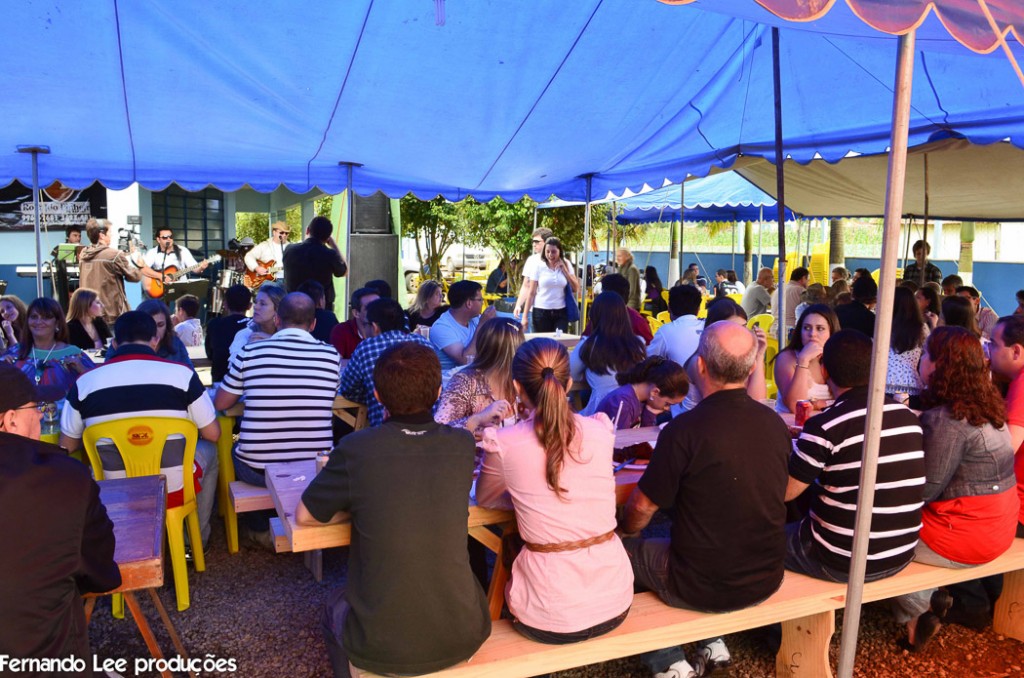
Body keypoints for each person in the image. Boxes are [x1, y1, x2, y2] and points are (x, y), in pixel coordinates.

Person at [298, 342, 490, 676]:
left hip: (381, 645)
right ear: (439, 392)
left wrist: (362, 505)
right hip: (464, 632)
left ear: (377, 395)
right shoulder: (461, 445)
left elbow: (305, 515)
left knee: (332, 606)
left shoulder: (356, 448)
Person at [619, 321, 790, 677]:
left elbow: (641, 507)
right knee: (703, 542)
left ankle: (668, 661)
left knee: (620, 553)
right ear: (751, 369)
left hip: (699, 583)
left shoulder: (683, 430)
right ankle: (712, 643)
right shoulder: (775, 424)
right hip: (766, 576)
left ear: (700, 366)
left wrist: (624, 533)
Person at [477, 338, 633, 644]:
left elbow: (485, 498)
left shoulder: (504, 442)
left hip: (548, 616)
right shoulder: (601, 430)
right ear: (569, 383)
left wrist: (528, 497)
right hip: (615, 601)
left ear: (517, 387)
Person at [890, 327, 1019, 650]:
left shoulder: (947, 420)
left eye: (925, 354)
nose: (920, 360)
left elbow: (924, 491)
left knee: (876, 533)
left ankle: (919, 609)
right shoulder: (986, 406)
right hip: (1000, 527)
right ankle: (931, 604)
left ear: (938, 365)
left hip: (965, 538)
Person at [60, 311, 221, 545]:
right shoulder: (183, 376)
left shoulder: (85, 383)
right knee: (211, 451)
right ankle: (193, 541)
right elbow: (213, 434)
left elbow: (67, 445)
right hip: (172, 490)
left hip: (113, 492)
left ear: (115, 344)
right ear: (155, 340)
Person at [0, 364, 120, 666]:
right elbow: (101, 572)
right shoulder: (65, 479)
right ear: (10, 420)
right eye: (35, 408)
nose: (41, 415)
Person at [784, 330, 925, 584]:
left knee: (757, 541)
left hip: (841, 560)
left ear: (825, 371)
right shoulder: (908, 418)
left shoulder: (825, 426)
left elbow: (786, 492)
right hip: (901, 552)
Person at [214, 293, 340, 543]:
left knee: (237, 451)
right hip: (314, 467)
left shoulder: (250, 352)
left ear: (278, 320)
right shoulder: (331, 356)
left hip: (259, 470)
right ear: (313, 324)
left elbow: (221, 403)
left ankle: (259, 527)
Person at [340, 298, 434, 428]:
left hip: (384, 431)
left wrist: (371, 395)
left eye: (365, 324)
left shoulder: (366, 348)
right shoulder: (423, 343)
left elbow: (348, 389)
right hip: (430, 429)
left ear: (374, 327)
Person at [435, 317, 525, 436]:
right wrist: (477, 420)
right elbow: (439, 430)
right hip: (474, 448)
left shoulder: (523, 381)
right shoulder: (465, 382)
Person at [677, 298, 767, 415]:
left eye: (743, 327)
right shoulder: (699, 363)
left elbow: (758, 403)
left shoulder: (741, 357)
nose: (740, 334)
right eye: (733, 329)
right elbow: (723, 406)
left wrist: (759, 355)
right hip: (699, 422)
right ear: (714, 330)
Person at [570, 292, 646, 416]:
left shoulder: (589, 344)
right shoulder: (639, 343)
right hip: (633, 413)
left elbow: (571, 374)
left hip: (600, 413)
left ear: (594, 316)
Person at [5, 298, 94, 402]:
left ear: (57, 323)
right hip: (22, 411)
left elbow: (97, 386)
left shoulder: (73, 353)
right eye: (34, 317)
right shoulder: (15, 352)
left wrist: (82, 369)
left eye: (46, 317)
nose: (39, 321)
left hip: (64, 411)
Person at [595, 355, 688, 455]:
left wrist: (650, 413)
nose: (667, 409)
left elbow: (643, 442)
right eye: (667, 404)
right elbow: (620, 447)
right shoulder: (622, 402)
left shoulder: (644, 399)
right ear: (655, 392)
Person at [78, 218, 156, 324]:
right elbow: (135, 277)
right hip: (111, 314)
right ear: (102, 235)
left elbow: (103, 262)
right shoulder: (114, 255)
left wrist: (123, 255)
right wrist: (140, 264)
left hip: (88, 312)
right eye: (110, 232)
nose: (112, 235)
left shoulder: (83, 253)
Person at [774, 303, 838, 414]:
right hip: (792, 423)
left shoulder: (837, 357)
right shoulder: (787, 358)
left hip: (828, 423)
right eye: (807, 328)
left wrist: (817, 404)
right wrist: (803, 360)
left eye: (820, 328)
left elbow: (847, 400)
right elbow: (795, 406)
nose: (812, 334)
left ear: (831, 332)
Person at [430, 280, 497, 372]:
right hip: (450, 379)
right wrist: (482, 325)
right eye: (480, 300)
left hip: (474, 375)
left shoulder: (475, 319)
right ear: (469, 303)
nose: (482, 303)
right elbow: (466, 360)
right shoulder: (441, 328)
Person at [283, 216, 348, 311]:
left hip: (293, 308)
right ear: (327, 237)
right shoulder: (329, 254)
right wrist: (334, 245)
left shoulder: (289, 250)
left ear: (307, 230)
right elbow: (344, 272)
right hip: (321, 310)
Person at [522, 236, 580, 333]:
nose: (550, 255)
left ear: (560, 251)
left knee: (560, 340)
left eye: (553, 252)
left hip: (561, 311)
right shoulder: (538, 266)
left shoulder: (566, 264)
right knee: (543, 341)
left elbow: (576, 288)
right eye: (547, 251)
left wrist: (565, 271)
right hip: (541, 311)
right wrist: (524, 316)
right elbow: (531, 293)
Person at [583, 273, 653, 344]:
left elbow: (584, 342)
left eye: (602, 292)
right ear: (627, 297)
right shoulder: (637, 320)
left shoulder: (599, 317)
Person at [886, 286, 928, 402]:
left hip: (885, 380)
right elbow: (927, 351)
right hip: (912, 382)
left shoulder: (884, 324)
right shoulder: (922, 327)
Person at [205, 284, 251, 384]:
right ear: (249, 306)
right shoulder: (255, 325)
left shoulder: (214, 324)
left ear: (225, 304)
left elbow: (210, 354)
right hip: (248, 384)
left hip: (221, 383)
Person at [142, 227, 209, 296]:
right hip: (161, 290)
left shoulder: (182, 250)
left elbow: (195, 269)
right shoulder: (152, 252)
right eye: (165, 237)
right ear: (158, 240)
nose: (169, 239)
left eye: (170, 237)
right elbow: (143, 268)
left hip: (181, 290)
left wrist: (201, 267)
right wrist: (160, 276)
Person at [648, 284, 703, 368]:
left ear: (669, 308)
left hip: (677, 376)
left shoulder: (665, 331)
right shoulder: (709, 328)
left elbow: (648, 360)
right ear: (698, 309)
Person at [229, 284, 287, 361]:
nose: (255, 307)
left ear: (278, 309)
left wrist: (270, 340)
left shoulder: (289, 335)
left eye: (262, 304)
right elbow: (234, 365)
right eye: (256, 302)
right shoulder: (245, 335)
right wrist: (248, 348)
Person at [133, 299, 194, 368]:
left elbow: (190, 372)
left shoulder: (175, 344)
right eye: (148, 325)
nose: (155, 331)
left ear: (167, 325)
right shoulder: (130, 348)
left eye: (160, 325)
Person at [512, 226, 553, 327]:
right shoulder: (532, 260)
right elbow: (526, 285)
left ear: (547, 242)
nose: (534, 244)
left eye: (537, 241)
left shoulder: (559, 260)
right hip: (535, 310)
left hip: (556, 311)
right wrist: (518, 305)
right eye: (533, 241)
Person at [329, 287, 380, 359]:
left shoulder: (388, 330)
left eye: (380, 306)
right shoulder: (341, 330)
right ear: (356, 313)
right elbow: (336, 362)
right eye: (370, 307)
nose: (378, 310)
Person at [782, 266, 810, 331]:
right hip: (791, 330)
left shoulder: (778, 290)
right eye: (808, 280)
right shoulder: (801, 291)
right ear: (803, 278)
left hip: (773, 329)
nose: (808, 283)